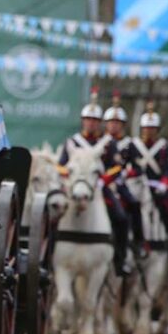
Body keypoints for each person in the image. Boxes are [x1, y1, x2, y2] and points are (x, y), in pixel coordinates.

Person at [58, 90, 132, 275]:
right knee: (54, 214)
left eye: (94, 120)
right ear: (83, 121)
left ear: (100, 123)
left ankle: (119, 259)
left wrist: (102, 180)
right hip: (75, 187)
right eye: (88, 119)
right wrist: (70, 176)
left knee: (121, 218)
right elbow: (61, 166)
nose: (91, 122)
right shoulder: (73, 142)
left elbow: (117, 166)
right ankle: (48, 255)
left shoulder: (107, 143)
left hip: (100, 188)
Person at [125, 103, 168, 261]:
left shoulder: (164, 147)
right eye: (146, 128)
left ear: (157, 130)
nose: (149, 131)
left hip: (158, 186)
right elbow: (126, 166)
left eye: (152, 128)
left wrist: (164, 184)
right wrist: (130, 175)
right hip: (137, 185)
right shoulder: (133, 145)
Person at [103, 92, 146, 253]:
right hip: (100, 181)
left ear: (123, 125)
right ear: (106, 124)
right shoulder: (102, 142)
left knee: (134, 204)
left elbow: (138, 167)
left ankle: (138, 240)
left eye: (117, 122)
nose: (114, 125)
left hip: (120, 183)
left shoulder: (129, 144)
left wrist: (129, 174)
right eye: (111, 122)